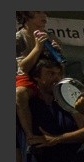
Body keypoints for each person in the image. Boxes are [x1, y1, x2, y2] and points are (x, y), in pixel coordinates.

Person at [16, 11, 60, 144]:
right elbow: (22, 68)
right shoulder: (19, 38)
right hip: (29, 78)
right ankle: (30, 136)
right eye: (38, 12)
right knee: (20, 93)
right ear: (26, 16)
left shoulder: (49, 36)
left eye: (44, 13)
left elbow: (59, 64)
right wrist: (37, 48)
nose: (44, 17)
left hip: (48, 76)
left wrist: (57, 52)